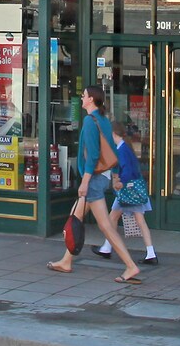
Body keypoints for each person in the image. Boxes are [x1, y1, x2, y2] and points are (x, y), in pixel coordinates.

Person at [50, 86, 141, 282]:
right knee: (75, 217)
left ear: (91, 99)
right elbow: (112, 151)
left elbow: (92, 156)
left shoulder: (89, 122)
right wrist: (115, 176)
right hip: (103, 176)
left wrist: (85, 182)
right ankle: (66, 261)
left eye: (83, 95)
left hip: (94, 179)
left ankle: (131, 266)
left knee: (105, 226)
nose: (81, 98)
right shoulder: (104, 121)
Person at [97, 121, 158, 266]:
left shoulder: (122, 149)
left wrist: (120, 182)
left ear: (113, 134)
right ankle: (149, 252)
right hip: (133, 189)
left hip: (128, 190)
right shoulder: (124, 147)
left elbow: (127, 170)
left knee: (114, 217)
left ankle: (108, 247)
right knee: (124, 218)